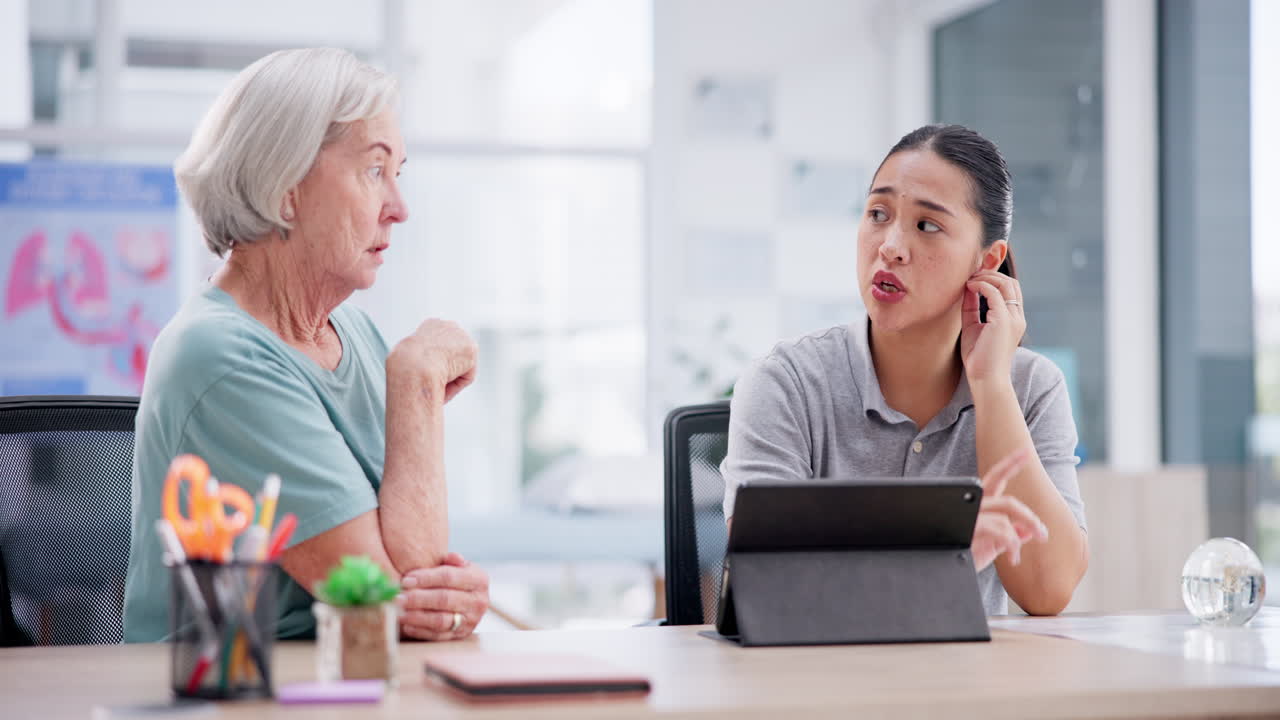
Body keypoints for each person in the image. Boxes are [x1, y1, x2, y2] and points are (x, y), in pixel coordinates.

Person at [124, 48, 489, 641]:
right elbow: (379, 597)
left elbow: (415, 587)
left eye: (400, 174)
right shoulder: (219, 355)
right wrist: (419, 380)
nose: (399, 208)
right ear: (285, 189)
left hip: (348, 682)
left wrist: (444, 600)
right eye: (375, 171)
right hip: (230, 693)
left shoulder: (359, 338)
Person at [721, 124, 1088, 615]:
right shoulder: (785, 383)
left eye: (927, 225)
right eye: (878, 213)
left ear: (987, 261)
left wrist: (991, 385)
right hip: (818, 684)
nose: (890, 245)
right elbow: (767, 587)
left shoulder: (1031, 387)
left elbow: (1048, 590)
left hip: (971, 685)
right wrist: (932, 554)